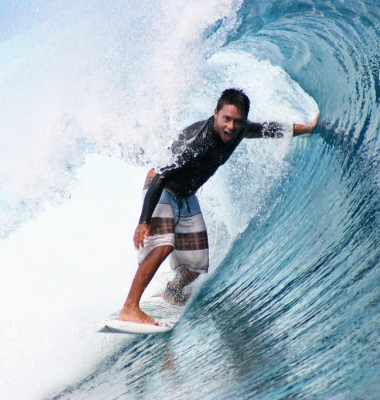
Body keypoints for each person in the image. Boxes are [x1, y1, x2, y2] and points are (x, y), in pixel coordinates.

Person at [119, 88, 320, 325]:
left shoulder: (240, 130)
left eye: (237, 121)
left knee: (196, 265)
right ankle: (129, 306)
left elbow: (267, 129)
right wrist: (143, 221)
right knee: (164, 246)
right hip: (161, 189)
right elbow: (161, 176)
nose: (231, 127)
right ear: (216, 114)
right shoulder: (198, 141)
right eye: (226, 119)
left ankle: (172, 292)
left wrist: (305, 128)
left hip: (186, 195)